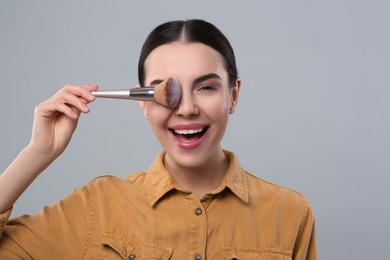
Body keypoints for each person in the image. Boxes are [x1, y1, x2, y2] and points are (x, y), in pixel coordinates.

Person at [0, 19, 317, 259]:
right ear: (142, 101)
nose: (188, 109)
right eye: (164, 90)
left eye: (206, 87)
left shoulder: (290, 213)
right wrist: (37, 153)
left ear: (233, 95)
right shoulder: (99, 205)